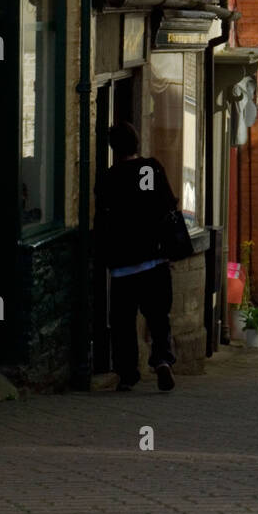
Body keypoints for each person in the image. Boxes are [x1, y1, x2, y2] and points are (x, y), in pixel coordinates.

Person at [94, 121, 179, 392]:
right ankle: (162, 360)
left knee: (123, 323)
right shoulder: (150, 168)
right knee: (158, 316)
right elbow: (169, 204)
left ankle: (127, 374)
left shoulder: (109, 177)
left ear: (113, 149)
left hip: (123, 265)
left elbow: (102, 217)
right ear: (136, 143)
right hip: (154, 259)